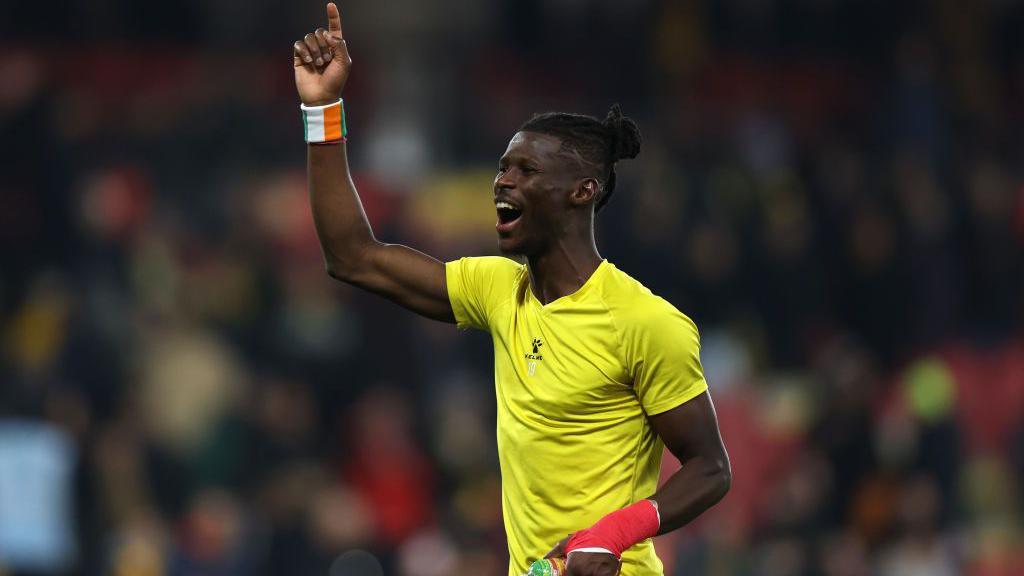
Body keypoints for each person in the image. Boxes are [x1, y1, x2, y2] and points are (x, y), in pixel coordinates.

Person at [292, 4, 731, 575]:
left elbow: (710, 468)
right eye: (502, 167)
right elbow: (354, 258)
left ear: (583, 190)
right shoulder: (499, 289)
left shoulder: (645, 322)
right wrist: (323, 108)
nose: (502, 180)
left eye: (525, 169)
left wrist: (610, 535)